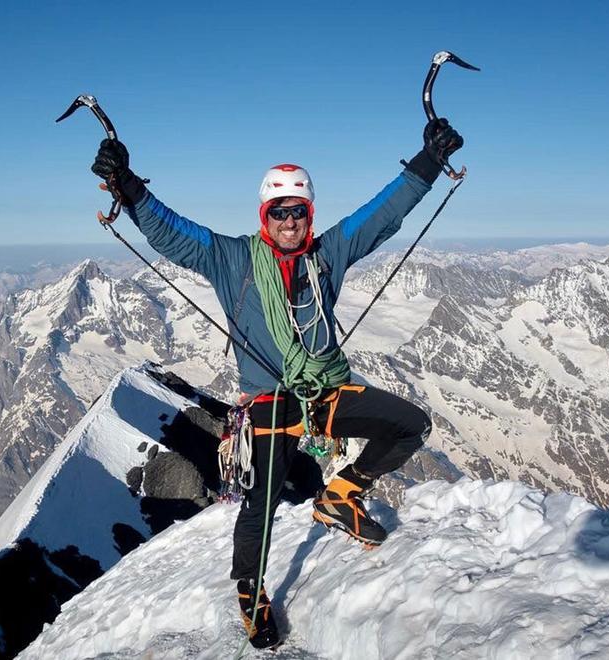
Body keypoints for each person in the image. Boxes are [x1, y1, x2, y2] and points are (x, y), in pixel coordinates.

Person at [91, 119, 463, 649]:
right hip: (269, 402)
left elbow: (381, 214)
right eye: (279, 212)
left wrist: (428, 162)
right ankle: (250, 589)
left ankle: (342, 495)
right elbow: (171, 230)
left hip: (325, 391)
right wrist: (127, 186)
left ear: (309, 215)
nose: (289, 221)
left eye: (298, 212)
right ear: (264, 216)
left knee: (410, 426)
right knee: (261, 503)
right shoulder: (232, 259)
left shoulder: (327, 254)